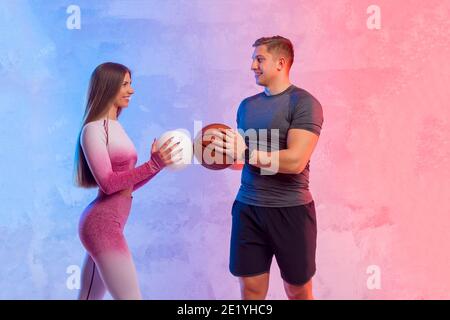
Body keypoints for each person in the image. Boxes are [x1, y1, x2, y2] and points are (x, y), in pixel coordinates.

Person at [211, 36, 324, 300]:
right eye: (252, 59)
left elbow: (295, 161)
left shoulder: (304, 103)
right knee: (250, 291)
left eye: (259, 59)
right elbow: (240, 161)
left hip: (291, 211)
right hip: (248, 209)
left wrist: (247, 153)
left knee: (297, 291)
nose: (252, 66)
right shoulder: (247, 106)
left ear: (280, 63)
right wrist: (213, 153)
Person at [73, 62, 181, 299]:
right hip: (101, 226)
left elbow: (126, 185)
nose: (131, 90)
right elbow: (109, 184)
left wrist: (157, 165)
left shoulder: (115, 127)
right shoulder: (93, 130)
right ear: (108, 86)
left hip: (109, 224)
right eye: (125, 84)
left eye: (130, 84)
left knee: (88, 297)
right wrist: (152, 164)